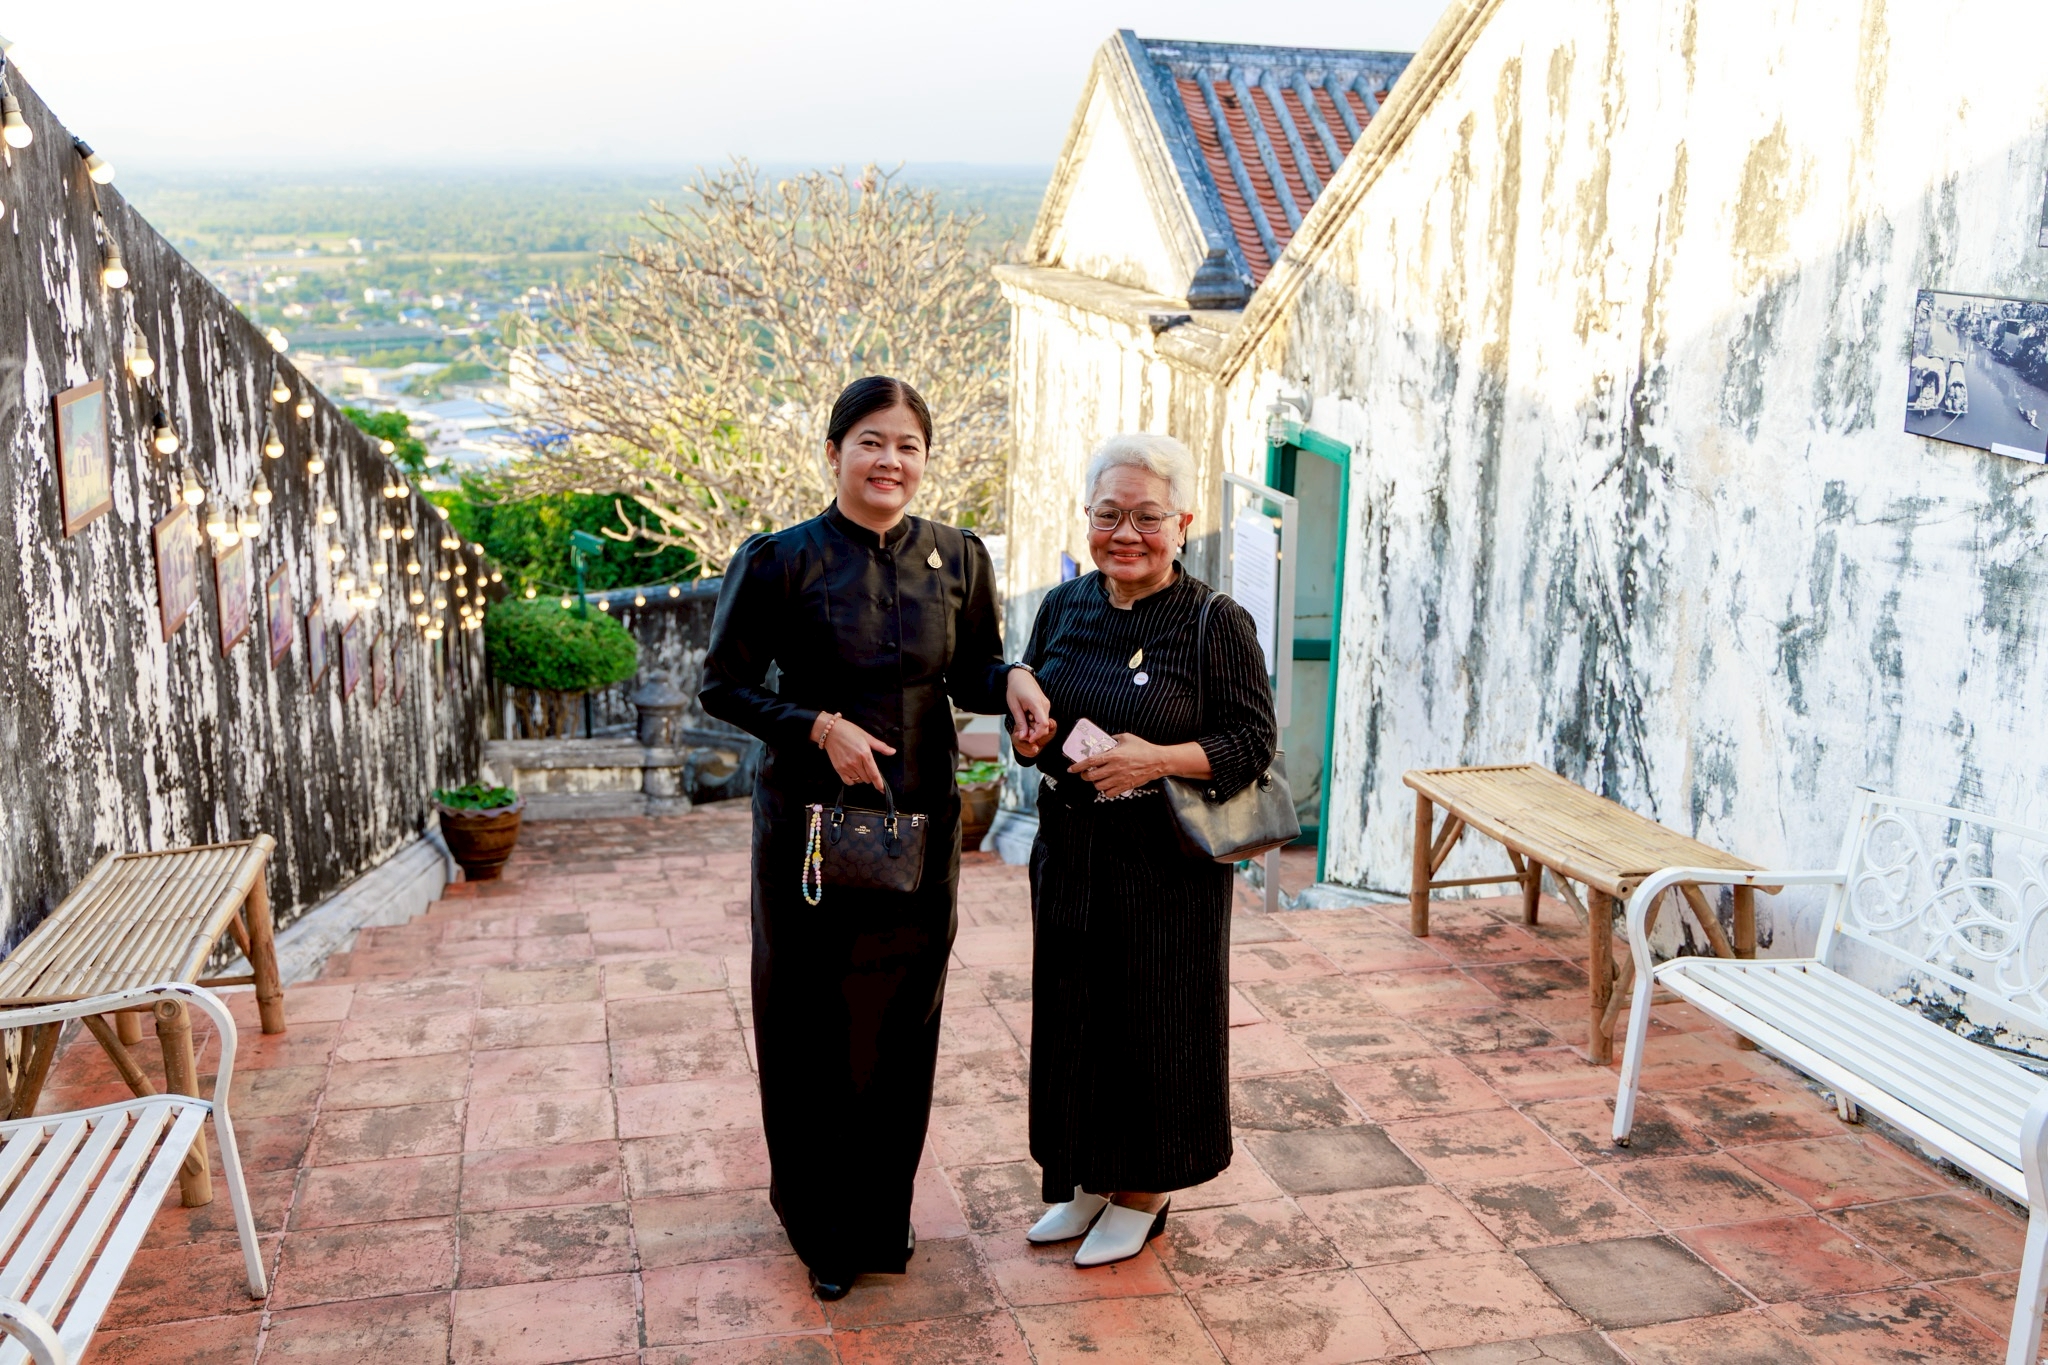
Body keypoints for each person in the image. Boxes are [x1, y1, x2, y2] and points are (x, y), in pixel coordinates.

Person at [700, 376, 1055, 1301]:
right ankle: (819, 1226)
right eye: (870, 441)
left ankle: (877, 1217)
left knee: (902, 1020)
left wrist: (1013, 677)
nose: (889, 460)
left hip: (920, 828)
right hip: (810, 838)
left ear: (924, 459)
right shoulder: (781, 560)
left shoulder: (959, 557)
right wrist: (817, 724)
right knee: (810, 1019)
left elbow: (973, 669)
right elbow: (723, 686)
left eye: (906, 445)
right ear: (833, 452)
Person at [1009, 432, 1277, 1267]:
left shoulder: (1213, 621)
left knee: (1154, 1020)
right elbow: (1041, 712)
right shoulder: (1064, 606)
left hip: (1164, 863)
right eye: (1109, 513)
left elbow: (1252, 741)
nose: (1127, 533)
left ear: (1184, 522)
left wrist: (1154, 759)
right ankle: (1088, 1177)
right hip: (1071, 849)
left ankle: (1146, 1189)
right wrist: (1032, 740)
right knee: (1076, 1017)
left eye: (1147, 516)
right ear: (1087, 518)